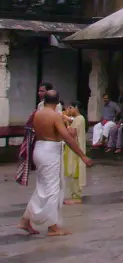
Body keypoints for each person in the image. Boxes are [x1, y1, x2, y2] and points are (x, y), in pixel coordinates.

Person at [18, 90, 93, 236]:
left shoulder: (37, 114)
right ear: (58, 102)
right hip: (50, 152)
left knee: (42, 187)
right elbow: (66, 138)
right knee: (53, 190)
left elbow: (50, 133)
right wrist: (83, 156)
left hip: (39, 149)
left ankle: (25, 220)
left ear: (44, 100)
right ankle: (52, 226)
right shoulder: (55, 116)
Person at [63, 102, 87, 204]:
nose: (69, 109)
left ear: (76, 108)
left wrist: (67, 124)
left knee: (75, 171)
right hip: (72, 148)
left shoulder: (80, 119)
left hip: (76, 148)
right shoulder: (76, 119)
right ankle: (73, 194)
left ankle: (76, 196)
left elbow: (72, 133)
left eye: (71, 107)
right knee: (71, 171)